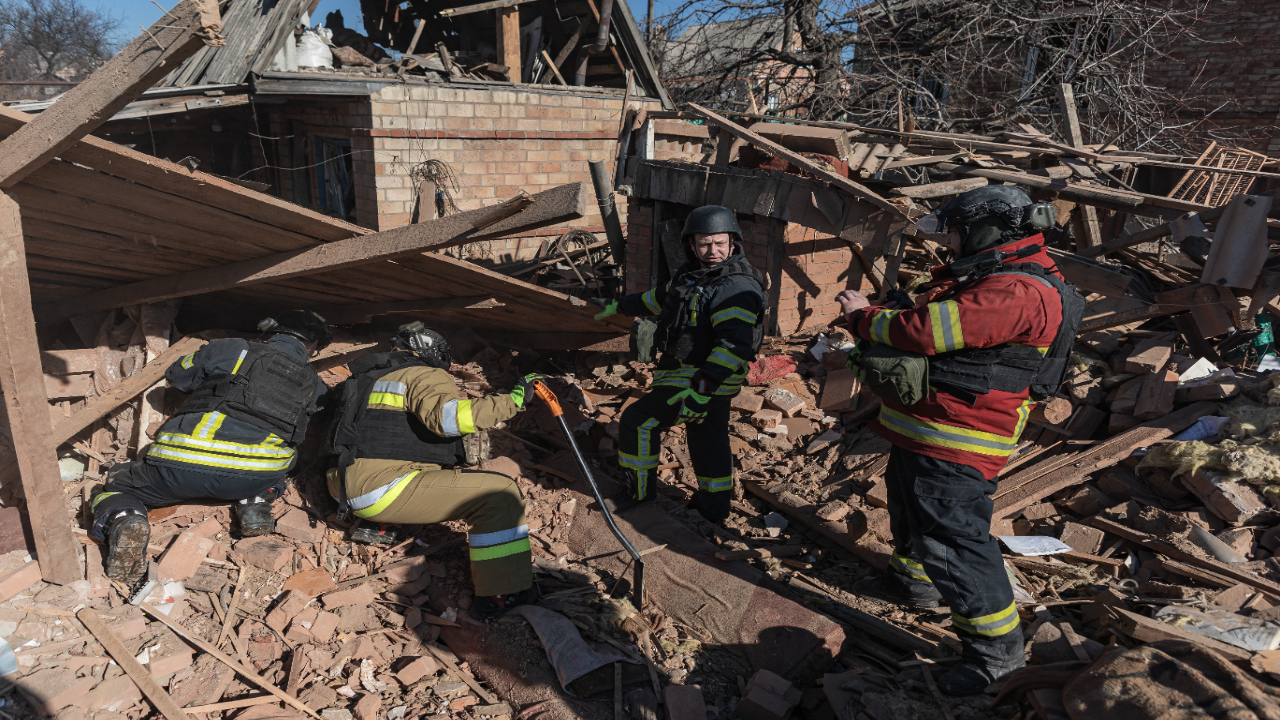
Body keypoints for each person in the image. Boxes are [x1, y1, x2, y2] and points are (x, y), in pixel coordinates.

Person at [835, 186, 1084, 696]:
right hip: (929, 430)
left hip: (961, 438)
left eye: (954, 233)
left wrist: (862, 316)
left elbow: (924, 333)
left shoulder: (1018, 291)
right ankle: (915, 585)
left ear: (985, 229)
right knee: (910, 509)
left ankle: (996, 655)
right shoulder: (999, 276)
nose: (950, 244)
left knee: (953, 540)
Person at [91, 310, 333, 587]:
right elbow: (323, 420)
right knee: (278, 470)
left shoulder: (233, 348)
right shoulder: (315, 384)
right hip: (253, 478)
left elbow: (177, 375)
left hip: (179, 468)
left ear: (273, 331)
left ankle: (124, 517)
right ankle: (256, 503)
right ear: (312, 346)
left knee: (117, 485)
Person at [326, 321, 540, 619]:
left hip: (342, 487)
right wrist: (512, 401)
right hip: (382, 490)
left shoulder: (367, 380)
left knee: (421, 463)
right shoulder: (425, 374)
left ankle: (378, 525)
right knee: (501, 494)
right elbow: (448, 419)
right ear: (438, 354)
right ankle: (502, 595)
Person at [594, 205, 766, 524]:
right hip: (697, 379)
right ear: (691, 244)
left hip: (702, 382)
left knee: (638, 421)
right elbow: (658, 300)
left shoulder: (736, 287)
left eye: (719, 243)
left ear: (732, 242)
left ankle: (638, 494)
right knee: (707, 438)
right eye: (704, 243)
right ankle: (714, 508)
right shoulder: (693, 276)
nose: (712, 250)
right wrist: (616, 306)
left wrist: (701, 391)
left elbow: (734, 347)